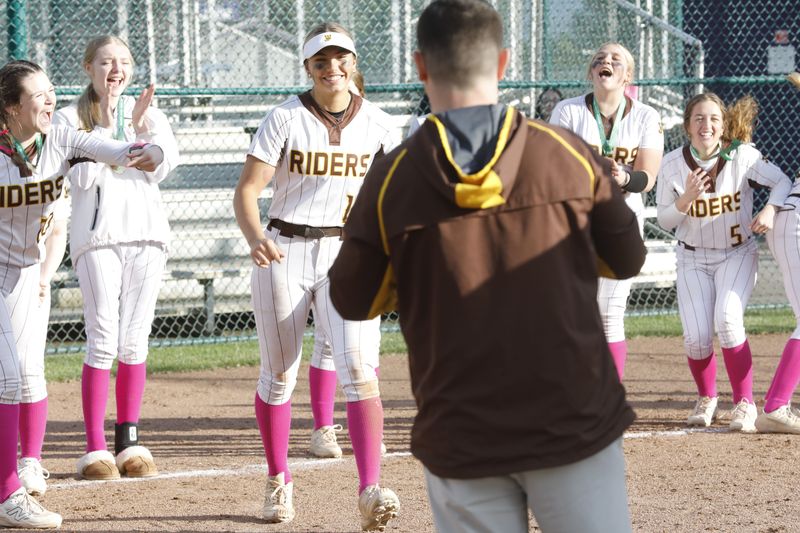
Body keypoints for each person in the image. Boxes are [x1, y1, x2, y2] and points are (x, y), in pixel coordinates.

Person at [328, 1, 646, 531]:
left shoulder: (391, 178)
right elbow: (627, 257)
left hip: (461, 431)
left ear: (421, 67)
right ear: (502, 65)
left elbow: (352, 299)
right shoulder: (565, 154)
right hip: (571, 420)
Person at [232, 22, 400, 530]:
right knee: (279, 373)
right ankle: (278, 479)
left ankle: (371, 490)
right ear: (307, 68)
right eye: (321, 61)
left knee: (358, 368)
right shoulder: (285, 116)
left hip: (349, 252)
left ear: (354, 63)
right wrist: (253, 233)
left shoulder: (379, 124)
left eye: (341, 58)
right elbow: (247, 190)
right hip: (283, 248)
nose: (333, 68)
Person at [0, 59, 164, 529]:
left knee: (27, 378)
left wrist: (143, 148)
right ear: (11, 108)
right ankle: (8, 492)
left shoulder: (61, 138)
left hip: (28, 272)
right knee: (9, 380)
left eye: (52, 91)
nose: (50, 99)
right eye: (38, 94)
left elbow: (112, 149)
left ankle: (25, 465)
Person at [51, 36, 180, 481]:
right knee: (102, 337)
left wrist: (141, 133)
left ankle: (129, 440)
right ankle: (94, 447)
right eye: (106, 62)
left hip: (147, 238)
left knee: (135, 339)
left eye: (123, 61)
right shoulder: (68, 117)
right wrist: (105, 127)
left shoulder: (148, 113)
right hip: (97, 240)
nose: (116, 69)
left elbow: (161, 162)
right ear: (88, 67)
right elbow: (83, 177)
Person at [656, 93, 791, 431]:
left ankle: (745, 402)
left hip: (736, 253)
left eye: (714, 118)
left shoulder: (742, 155)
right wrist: (686, 199)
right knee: (696, 337)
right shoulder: (672, 162)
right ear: (687, 125)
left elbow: (782, 182)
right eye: (699, 118)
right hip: (692, 258)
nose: (707, 125)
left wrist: (771, 209)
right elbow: (664, 221)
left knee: (728, 320)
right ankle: (707, 397)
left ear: (723, 125)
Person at [549, 42, 663, 381]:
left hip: (621, 220)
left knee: (611, 312)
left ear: (627, 75)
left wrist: (624, 176)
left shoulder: (646, 115)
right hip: (576, 220)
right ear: (591, 73)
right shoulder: (568, 111)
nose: (606, 62)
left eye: (616, 60)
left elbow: (648, 178)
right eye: (599, 59)